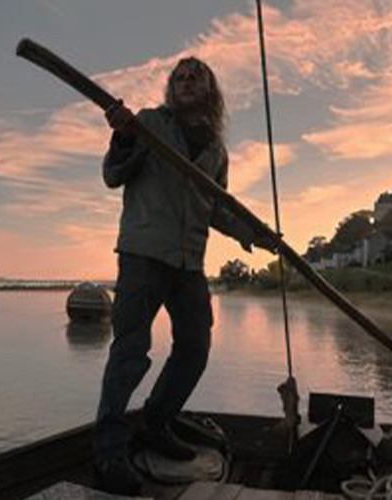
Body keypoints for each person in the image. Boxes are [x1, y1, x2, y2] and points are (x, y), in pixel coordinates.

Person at [93, 56, 273, 494]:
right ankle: (109, 452)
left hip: (189, 262)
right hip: (143, 254)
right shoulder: (150, 124)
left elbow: (216, 208)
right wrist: (123, 137)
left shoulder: (216, 151)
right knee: (130, 352)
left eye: (197, 77)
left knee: (195, 348)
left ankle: (155, 423)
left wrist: (256, 235)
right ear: (171, 88)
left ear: (210, 90)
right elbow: (114, 174)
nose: (188, 81)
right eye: (180, 77)